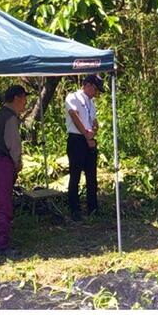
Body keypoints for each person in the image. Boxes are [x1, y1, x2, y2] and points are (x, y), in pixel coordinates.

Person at [0, 85, 27, 258]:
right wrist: (17, 162)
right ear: (17, 98)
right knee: (3, 204)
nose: (25, 102)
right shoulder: (10, 118)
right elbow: (13, 144)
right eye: (24, 98)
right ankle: (0, 244)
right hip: (2, 163)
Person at [64, 74, 103, 221]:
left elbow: (94, 121)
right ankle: (74, 209)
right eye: (95, 89)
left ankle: (93, 208)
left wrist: (94, 130)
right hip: (77, 139)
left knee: (91, 176)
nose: (96, 93)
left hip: (89, 139)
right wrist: (86, 135)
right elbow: (74, 116)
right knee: (75, 176)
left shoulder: (91, 102)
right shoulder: (73, 97)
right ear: (88, 85)